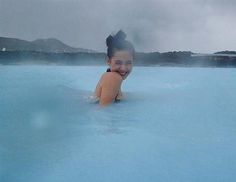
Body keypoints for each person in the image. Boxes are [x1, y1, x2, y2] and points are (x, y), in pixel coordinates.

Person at [93, 30, 135, 106]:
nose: (123, 68)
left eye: (128, 63)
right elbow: (102, 112)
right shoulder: (113, 78)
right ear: (108, 61)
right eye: (118, 63)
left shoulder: (109, 77)